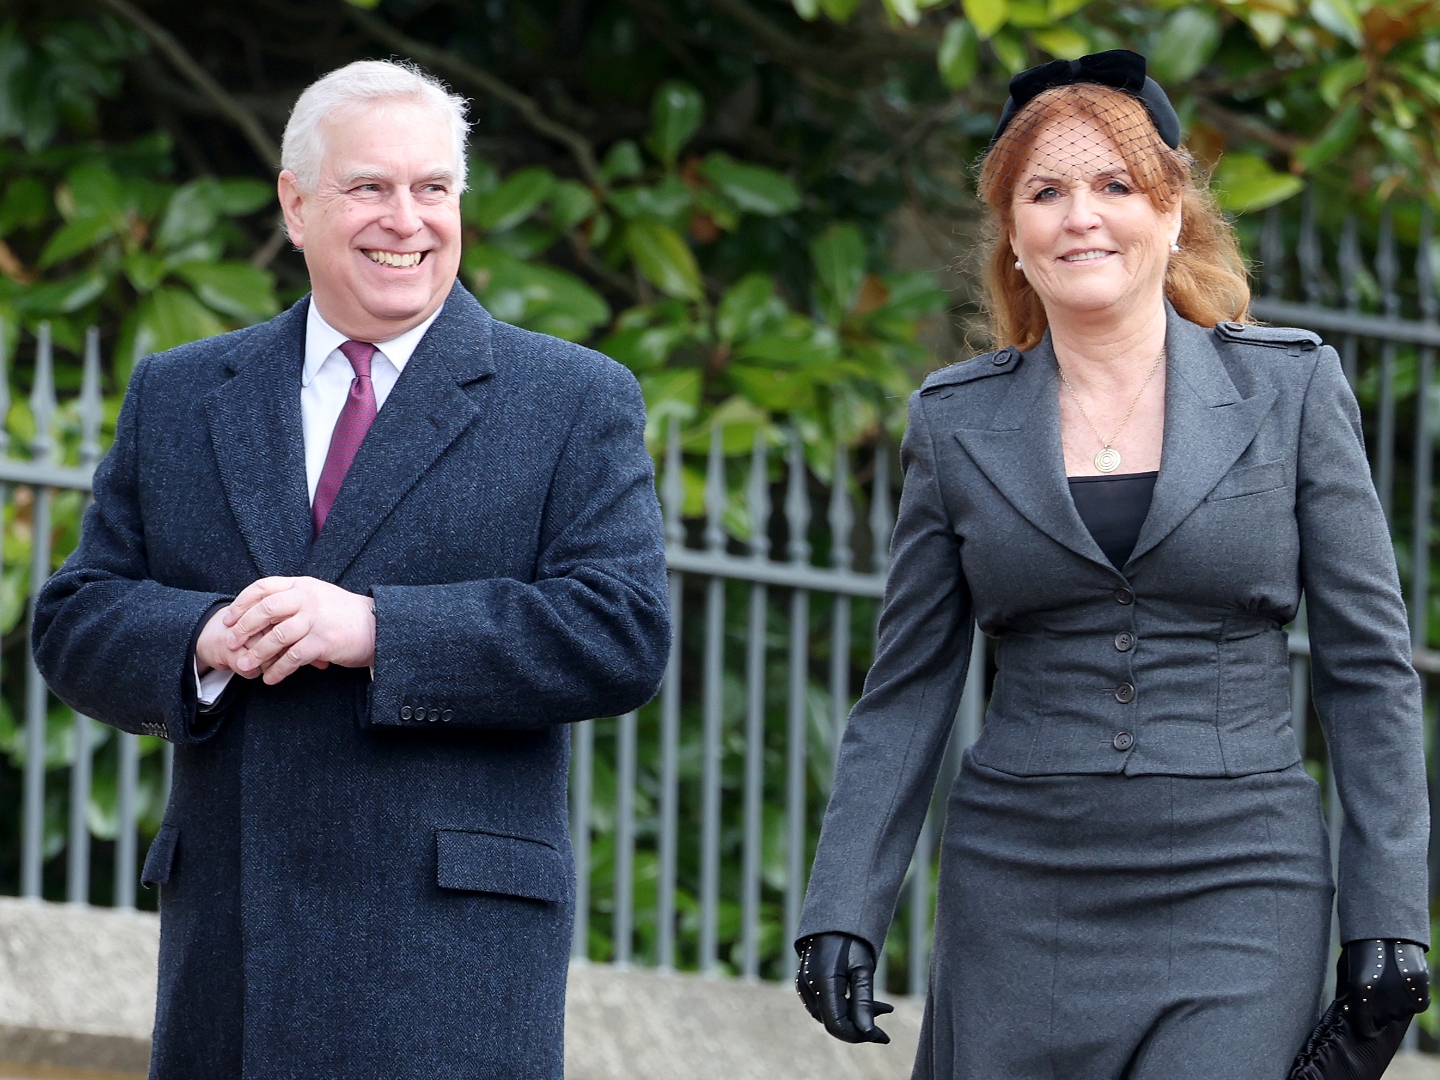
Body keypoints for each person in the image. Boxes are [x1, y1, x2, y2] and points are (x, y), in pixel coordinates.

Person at [793, 51, 1431, 1079]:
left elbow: (1369, 672)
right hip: (1020, 886)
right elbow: (907, 690)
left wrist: (1390, 912)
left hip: (1241, 879)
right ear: (1013, 230)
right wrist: (845, 905)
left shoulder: (1293, 392)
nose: (1080, 216)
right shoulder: (955, 424)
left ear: (1173, 210)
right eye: (1045, 191)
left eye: (1115, 186)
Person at [33, 60, 670, 1079]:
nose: (404, 220)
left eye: (432, 189)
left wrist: (378, 631)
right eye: (369, 187)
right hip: (229, 960)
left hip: (450, 965)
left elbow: (622, 633)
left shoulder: (572, 399)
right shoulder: (183, 392)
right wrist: (200, 637)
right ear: (296, 203)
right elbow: (75, 618)